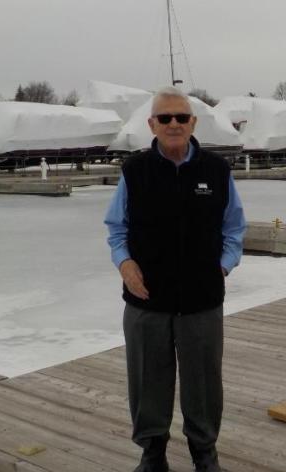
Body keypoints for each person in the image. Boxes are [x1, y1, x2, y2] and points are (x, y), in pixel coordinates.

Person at [105, 86, 246, 472]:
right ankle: (153, 453)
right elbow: (116, 230)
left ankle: (204, 452)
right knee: (148, 379)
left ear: (192, 123)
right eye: (164, 118)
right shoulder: (134, 172)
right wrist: (125, 265)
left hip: (201, 299)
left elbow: (234, 228)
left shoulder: (216, 171)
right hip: (145, 299)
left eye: (181, 117)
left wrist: (223, 265)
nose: (173, 124)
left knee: (203, 382)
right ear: (152, 124)